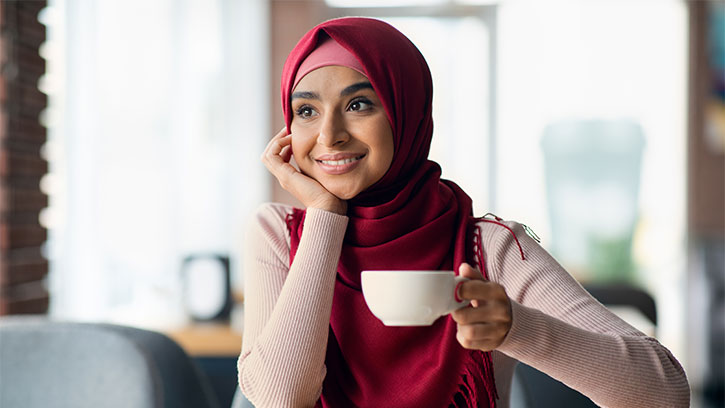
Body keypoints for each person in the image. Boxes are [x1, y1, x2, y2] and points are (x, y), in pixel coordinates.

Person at [237, 17, 690, 408]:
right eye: (307, 110)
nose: (330, 135)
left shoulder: (488, 248)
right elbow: (282, 398)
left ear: (405, 111)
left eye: (359, 104)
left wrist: (518, 329)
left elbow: (666, 391)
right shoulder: (280, 233)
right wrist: (325, 214)